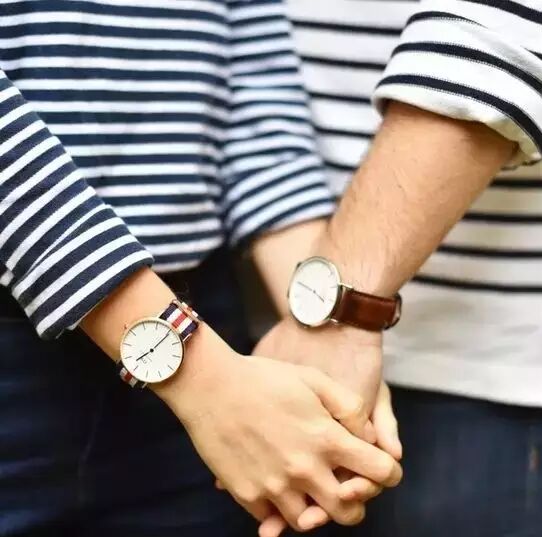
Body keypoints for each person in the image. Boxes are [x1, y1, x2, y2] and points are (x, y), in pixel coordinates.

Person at [0, 1, 403, 536]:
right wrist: (201, 377)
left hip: (209, 350)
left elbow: (252, 86)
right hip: (112, 357)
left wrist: (328, 331)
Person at [250, 0, 542, 536]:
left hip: (482, 370)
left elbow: (499, 33)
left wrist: (342, 308)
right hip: (293, 352)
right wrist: (311, 318)